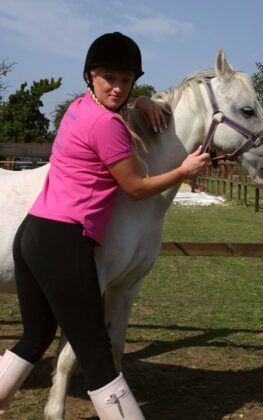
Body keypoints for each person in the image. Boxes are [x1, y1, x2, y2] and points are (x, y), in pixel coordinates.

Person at [0, 32, 209, 419]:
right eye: (108, 77)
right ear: (90, 76)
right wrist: (183, 169)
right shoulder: (109, 127)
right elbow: (134, 187)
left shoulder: (78, 109)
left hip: (32, 235)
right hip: (65, 240)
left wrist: (144, 101)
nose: (117, 87)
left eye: (126, 80)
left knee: (34, 338)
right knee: (96, 352)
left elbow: (113, 114)